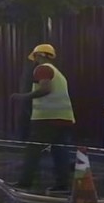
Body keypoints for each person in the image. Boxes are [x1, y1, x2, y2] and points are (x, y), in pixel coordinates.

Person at [10, 44, 73, 194]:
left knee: (33, 150)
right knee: (60, 152)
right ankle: (62, 185)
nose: (35, 60)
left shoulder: (42, 69)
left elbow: (45, 89)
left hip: (46, 119)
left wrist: (22, 97)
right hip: (64, 118)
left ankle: (24, 183)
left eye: (36, 57)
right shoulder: (58, 74)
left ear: (40, 55)